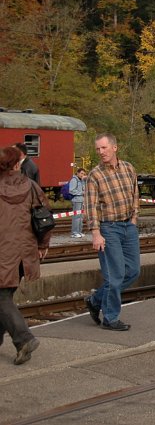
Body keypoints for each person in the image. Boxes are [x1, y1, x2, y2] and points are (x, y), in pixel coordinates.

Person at [83, 133, 140, 331]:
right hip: (108, 228)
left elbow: (134, 194)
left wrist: (133, 219)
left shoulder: (128, 168)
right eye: (98, 149)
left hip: (128, 226)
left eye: (104, 148)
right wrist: (96, 233)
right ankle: (110, 318)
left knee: (133, 271)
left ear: (114, 147)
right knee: (115, 275)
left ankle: (95, 300)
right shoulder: (94, 175)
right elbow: (90, 206)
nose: (101, 152)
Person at [0, 145, 50, 365]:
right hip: (25, 253)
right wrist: (42, 244)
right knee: (4, 297)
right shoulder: (31, 186)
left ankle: (24, 339)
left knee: (1, 297)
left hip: (3, 251)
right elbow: (44, 217)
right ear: (17, 164)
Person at [68, 168, 88, 238]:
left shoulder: (81, 180)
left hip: (81, 200)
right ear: (78, 173)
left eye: (84, 174)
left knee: (80, 217)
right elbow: (71, 190)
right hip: (76, 200)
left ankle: (79, 231)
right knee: (76, 217)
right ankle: (74, 232)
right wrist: (81, 193)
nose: (82, 175)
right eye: (81, 173)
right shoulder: (74, 180)